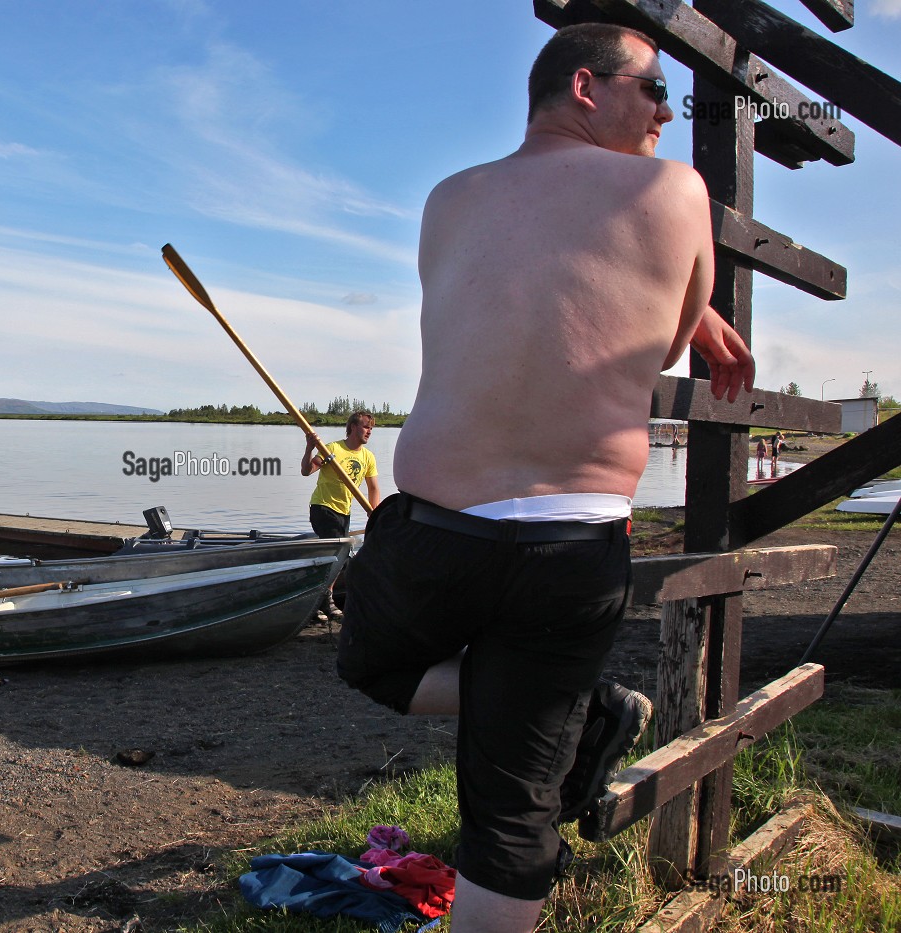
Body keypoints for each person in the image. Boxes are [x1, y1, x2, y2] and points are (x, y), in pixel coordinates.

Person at [335, 23, 754, 933]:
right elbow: (664, 330)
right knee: (514, 791)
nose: (665, 115)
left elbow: (517, 294)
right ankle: (568, 703)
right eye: (654, 92)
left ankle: (571, 703)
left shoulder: (449, 198)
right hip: (573, 545)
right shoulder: (677, 192)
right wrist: (706, 309)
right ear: (587, 86)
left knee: (372, 656)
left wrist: (690, 308)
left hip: (435, 531)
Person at [300, 410, 381, 620]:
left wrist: (375, 514)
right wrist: (310, 447)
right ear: (353, 427)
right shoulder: (333, 449)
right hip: (323, 507)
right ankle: (324, 600)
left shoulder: (367, 457)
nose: (369, 431)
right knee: (339, 553)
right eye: (365, 426)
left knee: (338, 556)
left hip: (344, 511)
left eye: (371, 428)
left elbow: (373, 488)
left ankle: (320, 599)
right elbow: (306, 471)